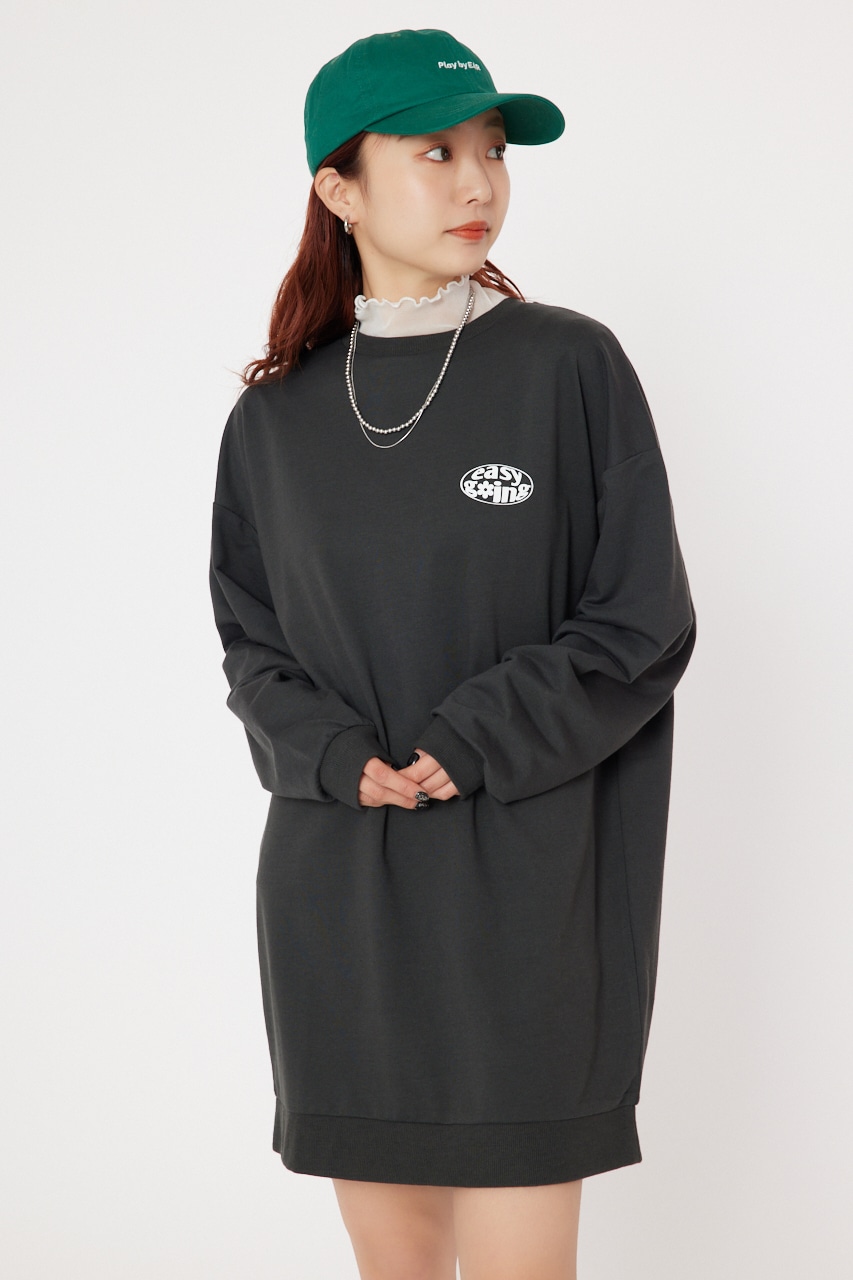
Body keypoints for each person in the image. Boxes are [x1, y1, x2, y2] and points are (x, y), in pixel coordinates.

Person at [209, 27, 697, 1280]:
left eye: (492, 151)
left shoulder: (566, 364)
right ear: (339, 188)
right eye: (436, 152)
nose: (478, 181)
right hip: (338, 891)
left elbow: (640, 619)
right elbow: (251, 645)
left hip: (532, 888)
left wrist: (472, 736)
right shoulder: (272, 419)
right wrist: (333, 754)